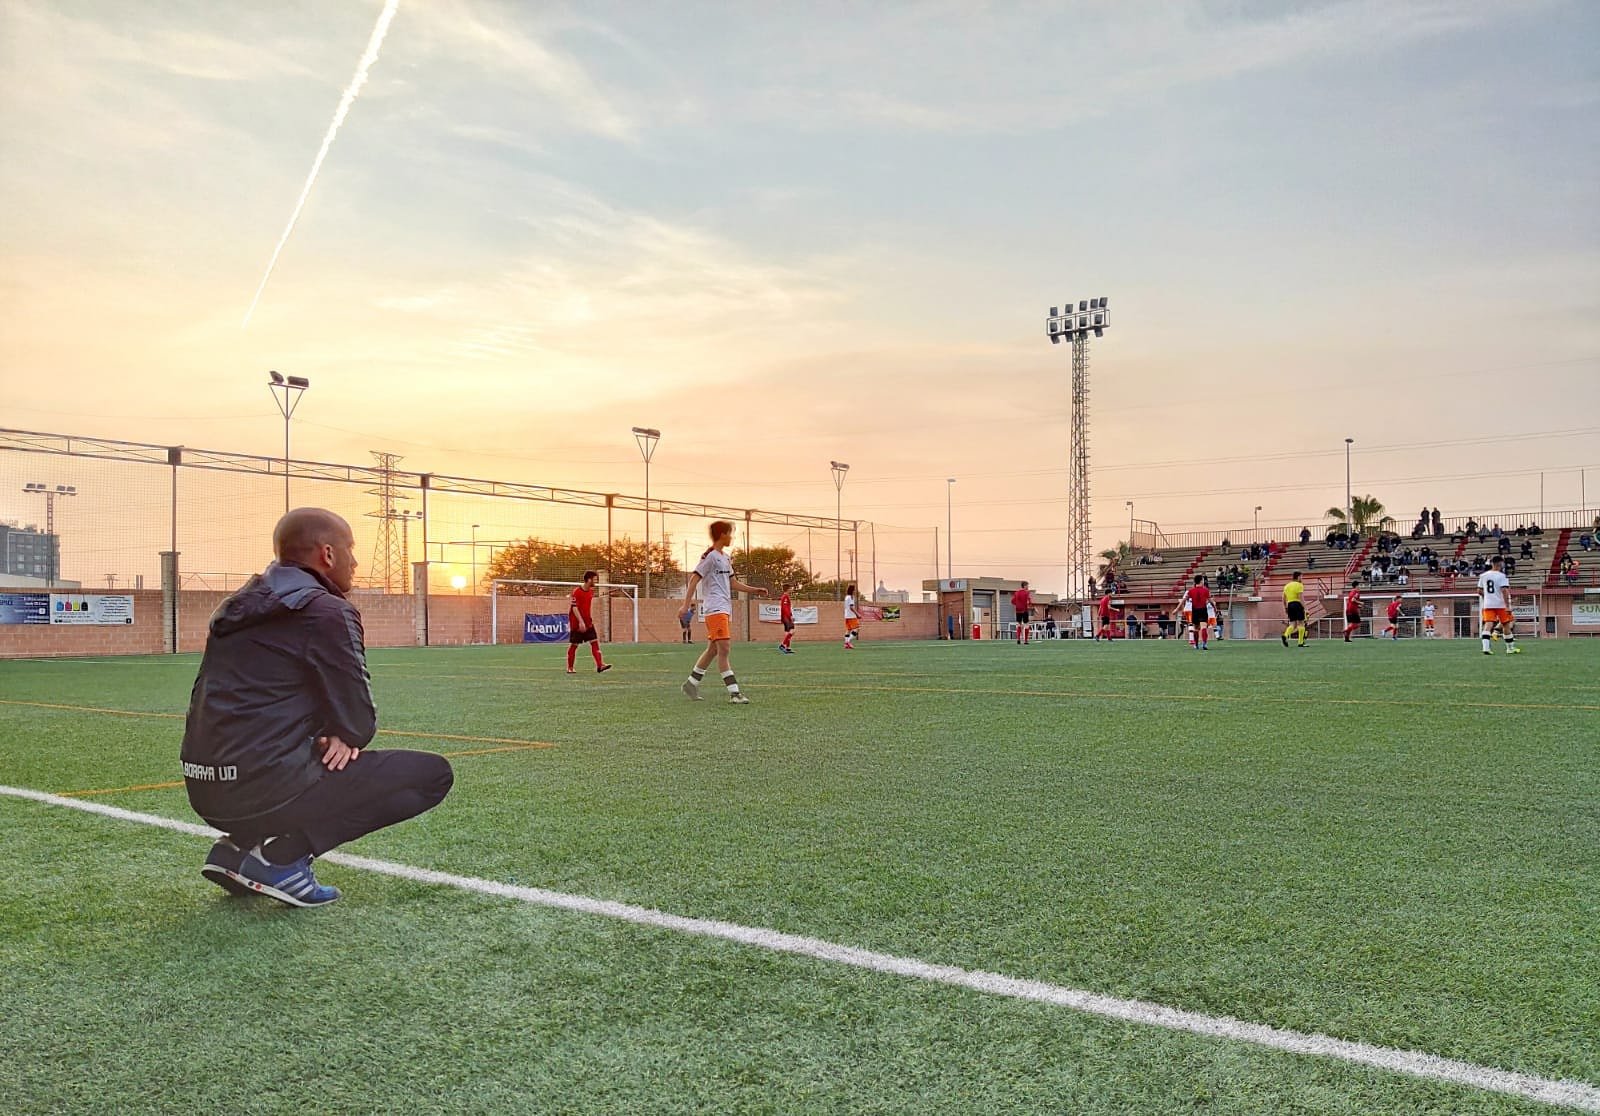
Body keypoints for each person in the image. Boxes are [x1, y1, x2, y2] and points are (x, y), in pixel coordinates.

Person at [180, 508, 453, 908]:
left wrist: (324, 730)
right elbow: (358, 718)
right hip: (264, 790)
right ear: (327, 554)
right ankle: (282, 857)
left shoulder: (235, 605)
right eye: (350, 550)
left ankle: (238, 847)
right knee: (432, 775)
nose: (355, 562)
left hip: (203, 789)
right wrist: (341, 732)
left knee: (293, 749)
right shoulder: (326, 610)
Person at [681, 520, 769, 703]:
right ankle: (734, 693)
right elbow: (694, 579)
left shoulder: (725, 557)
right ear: (722, 534)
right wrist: (685, 605)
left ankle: (691, 684)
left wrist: (754, 590)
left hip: (724, 609)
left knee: (713, 650)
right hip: (715, 609)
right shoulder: (710, 556)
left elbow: (733, 582)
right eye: (730, 533)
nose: (732, 537)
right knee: (724, 649)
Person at [566, 571, 613, 675]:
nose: (596, 581)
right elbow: (574, 608)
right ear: (589, 580)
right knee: (574, 645)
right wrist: (581, 622)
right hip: (577, 623)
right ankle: (570, 668)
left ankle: (600, 665)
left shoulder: (591, 591)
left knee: (594, 642)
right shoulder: (577, 591)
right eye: (595, 579)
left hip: (588, 622)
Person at [1478, 555, 1519, 655]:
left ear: (1492, 563)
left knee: (1488, 624)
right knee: (1506, 624)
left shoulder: (1483, 576)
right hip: (1500, 604)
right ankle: (1510, 648)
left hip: (1488, 604)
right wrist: (1508, 606)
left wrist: (1487, 597)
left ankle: (1486, 648)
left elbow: (1479, 591)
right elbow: (1504, 590)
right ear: (1501, 563)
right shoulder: (1501, 576)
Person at [1181, 575, 1211, 650]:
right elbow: (1210, 601)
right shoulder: (1206, 590)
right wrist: (1215, 607)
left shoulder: (1191, 591)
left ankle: (1196, 645)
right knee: (1204, 627)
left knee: (1196, 629)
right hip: (1203, 610)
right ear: (1201, 581)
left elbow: (1184, 600)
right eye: (1203, 580)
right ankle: (1204, 644)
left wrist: (1177, 608)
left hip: (1194, 611)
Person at [1282, 571, 1307, 648]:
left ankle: (1285, 635)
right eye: (1301, 577)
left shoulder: (1287, 586)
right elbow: (1301, 597)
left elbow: (1283, 598)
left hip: (1290, 604)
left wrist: (1286, 607)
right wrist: (1305, 608)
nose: (1302, 578)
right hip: (1297, 604)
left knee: (1292, 624)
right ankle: (1300, 642)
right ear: (1298, 577)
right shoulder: (1299, 585)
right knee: (1301, 623)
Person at [1011, 581, 1034, 645]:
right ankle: (1025, 641)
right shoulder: (1027, 593)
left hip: (1018, 610)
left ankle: (1018, 639)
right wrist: (1031, 606)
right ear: (1024, 586)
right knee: (1026, 624)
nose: (1028, 587)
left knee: (1018, 624)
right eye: (1027, 585)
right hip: (1024, 610)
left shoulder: (1016, 593)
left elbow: (1012, 601)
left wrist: (1018, 605)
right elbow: (1028, 602)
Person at [778, 584, 797, 653]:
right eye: (791, 588)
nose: (792, 589)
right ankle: (782, 645)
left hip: (786, 617)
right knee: (792, 631)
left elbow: (788, 609)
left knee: (787, 632)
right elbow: (785, 609)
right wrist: (790, 617)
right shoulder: (785, 597)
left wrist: (791, 614)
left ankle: (787, 648)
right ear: (788, 589)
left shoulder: (786, 597)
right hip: (786, 617)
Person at [843, 583, 862, 649]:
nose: (855, 591)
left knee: (848, 630)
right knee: (857, 629)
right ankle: (848, 642)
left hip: (846, 616)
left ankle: (846, 644)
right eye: (854, 590)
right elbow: (851, 607)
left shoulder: (846, 597)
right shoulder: (851, 597)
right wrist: (857, 614)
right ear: (852, 590)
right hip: (851, 616)